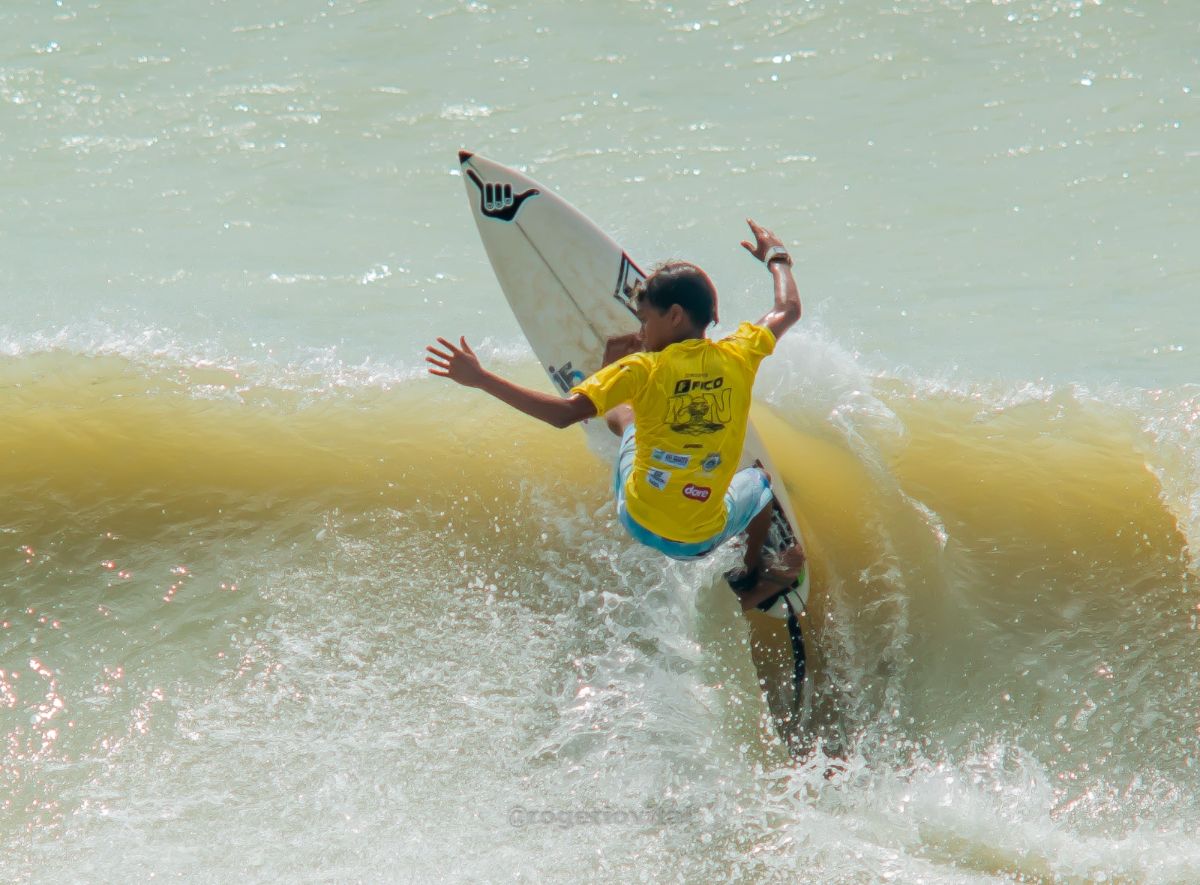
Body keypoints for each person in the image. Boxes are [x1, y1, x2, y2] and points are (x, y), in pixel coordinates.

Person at [425, 219, 805, 611]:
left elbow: (562, 415)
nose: (642, 334)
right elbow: (787, 309)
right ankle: (749, 575)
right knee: (760, 481)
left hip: (637, 515)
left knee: (628, 420)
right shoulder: (741, 353)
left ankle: (609, 396)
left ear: (674, 316)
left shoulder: (640, 369)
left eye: (645, 321)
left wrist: (482, 378)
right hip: (697, 540)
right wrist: (777, 258)